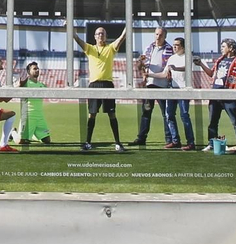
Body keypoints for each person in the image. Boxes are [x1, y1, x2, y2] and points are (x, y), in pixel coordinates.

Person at [72, 23, 128, 152]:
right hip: (94, 85)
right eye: (98, 33)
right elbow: (77, 39)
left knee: (112, 114)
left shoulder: (111, 48)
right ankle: (87, 142)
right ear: (95, 37)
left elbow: (122, 37)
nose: (101, 35)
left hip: (107, 85)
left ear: (106, 36)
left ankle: (118, 143)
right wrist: (69, 26)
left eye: (103, 33)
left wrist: (129, 23)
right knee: (92, 115)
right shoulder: (90, 48)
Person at [198, 38, 236, 155]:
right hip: (215, 94)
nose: (221, 49)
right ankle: (211, 143)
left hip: (228, 94)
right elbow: (211, 74)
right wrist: (201, 63)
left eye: (223, 47)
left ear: (230, 48)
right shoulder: (220, 60)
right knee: (212, 122)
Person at [134, 25, 174, 148]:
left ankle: (169, 139)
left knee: (165, 114)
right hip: (150, 85)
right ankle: (141, 138)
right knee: (146, 112)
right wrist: (140, 62)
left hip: (163, 85)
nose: (158, 36)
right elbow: (140, 67)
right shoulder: (149, 48)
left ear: (165, 36)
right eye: (156, 34)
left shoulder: (170, 49)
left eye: (161, 34)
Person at [160, 37, 197, 150]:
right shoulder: (171, 58)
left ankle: (191, 142)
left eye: (177, 45)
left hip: (183, 89)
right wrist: (149, 75)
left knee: (184, 115)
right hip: (173, 89)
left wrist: (175, 68)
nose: (174, 47)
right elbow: (164, 74)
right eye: (173, 45)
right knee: (169, 115)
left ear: (183, 47)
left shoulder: (188, 57)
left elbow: (186, 68)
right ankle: (175, 140)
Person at [14, 60, 52, 145]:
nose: (37, 70)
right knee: (21, 142)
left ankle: (32, 134)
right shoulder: (25, 83)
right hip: (28, 116)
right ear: (28, 71)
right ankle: (13, 132)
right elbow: (16, 88)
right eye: (34, 69)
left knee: (47, 140)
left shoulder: (41, 85)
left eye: (38, 68)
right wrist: (19, 85)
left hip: (39, 117)